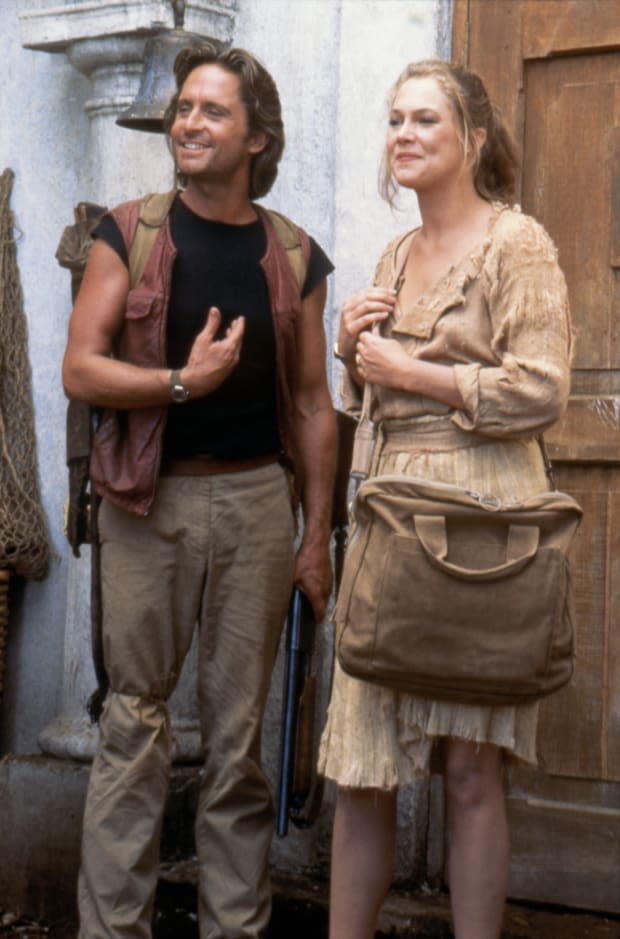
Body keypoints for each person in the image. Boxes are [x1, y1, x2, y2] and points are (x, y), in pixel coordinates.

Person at [63, 40, 336, 939]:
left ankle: (234, 927)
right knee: (133, 727)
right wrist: (183, 383)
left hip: (259, 503)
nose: (187, 123)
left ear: (257, 136)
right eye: (183, 108)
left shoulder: (293, 253)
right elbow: (81, 369)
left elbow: (310, 403)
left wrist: (315, 535)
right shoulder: (130, 230)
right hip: (149, 506)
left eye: (211, 111)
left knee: (237, 743)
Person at [319, 59, 572, 939]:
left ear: (472, 139)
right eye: (394, 120)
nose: (404, 135)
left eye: (425, 120)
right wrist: (355, 357)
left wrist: (411, 370)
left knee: (470, 768)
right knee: (360, 769)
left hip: (483, 516)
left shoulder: (517, 242)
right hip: (390, 514)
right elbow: (374, 397)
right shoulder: (393, 253)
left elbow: (542, 391)